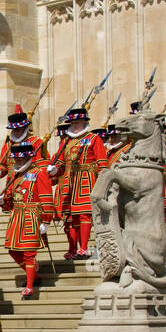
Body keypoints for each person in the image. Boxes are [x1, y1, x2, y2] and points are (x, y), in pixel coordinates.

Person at [0, 120, 57, 299]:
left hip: (32, 215)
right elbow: (9, 201)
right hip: (16, 216)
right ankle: (35, 273)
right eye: (16, 159)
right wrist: (3, 201)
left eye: (21, 159)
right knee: (12, 250)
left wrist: (46, 220)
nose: (18, 161)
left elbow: (47, 198)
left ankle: (30, 286)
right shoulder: (15, 176)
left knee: (28, 252)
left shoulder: (39, 173)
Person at [47, 104, 107, 259]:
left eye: (76, 123)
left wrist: (104, 183)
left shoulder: (94, 139)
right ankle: (72, 248)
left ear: (84, 123)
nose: (74, 126)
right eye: (72, 124)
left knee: (84, 214)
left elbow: (102, 163)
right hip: (69, 180)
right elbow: (60, 162)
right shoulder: (65, 142)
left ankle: (84, 247)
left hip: (87, 178)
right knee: (70, 216)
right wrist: (54, 170)